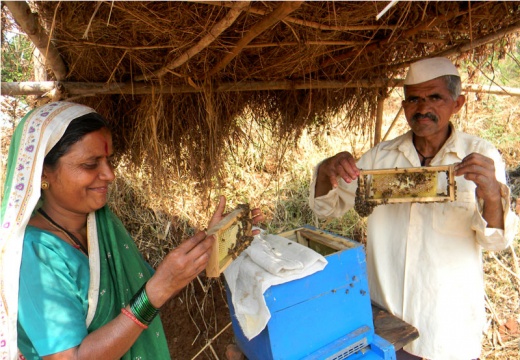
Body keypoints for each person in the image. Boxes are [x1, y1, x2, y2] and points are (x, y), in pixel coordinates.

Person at [0, 101, 264, 360]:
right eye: (90, 164)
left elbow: (150, 290)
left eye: (108, 160)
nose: (109, 175)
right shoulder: (34, 255)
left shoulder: (98, 223)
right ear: (43, 171)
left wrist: (214, 242)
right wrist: (155, 292)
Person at [309, 57, 519, 359]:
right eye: (413, 100)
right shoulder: (380, 157)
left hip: (447, 329)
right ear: (404, 105)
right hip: (387, 323)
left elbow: (496, 240)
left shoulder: (481, 156)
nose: (422, 109)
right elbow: (329, 208)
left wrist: (493, 195)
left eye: (435, 97)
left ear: (457, 103)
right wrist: (328, 170)